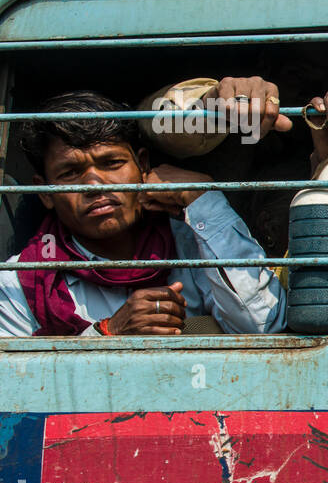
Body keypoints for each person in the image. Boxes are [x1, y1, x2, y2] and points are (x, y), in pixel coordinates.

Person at [0, 86, 292, 336]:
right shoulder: (20, 283)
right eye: (70, 172)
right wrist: (105, 334)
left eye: (111, 164)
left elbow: (262, 327)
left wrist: (205, 200)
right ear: (45, 193)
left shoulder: (195, 243)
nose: (94, 184)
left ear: (142, 166)